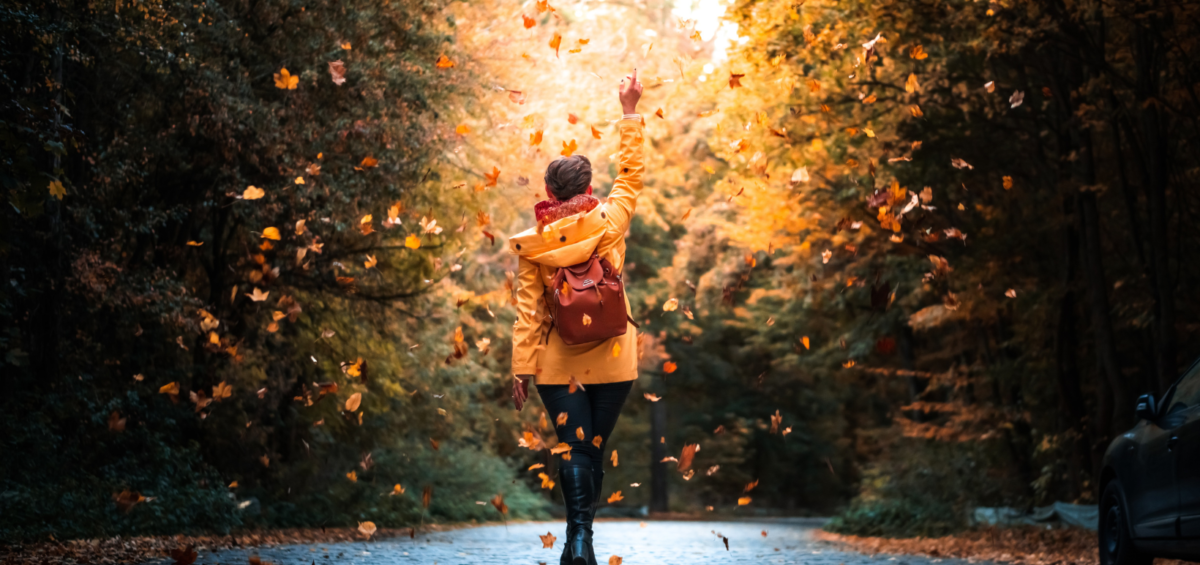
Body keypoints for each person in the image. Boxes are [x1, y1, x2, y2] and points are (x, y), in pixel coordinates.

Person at [508, 68, 644, 565]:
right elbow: (631, 176)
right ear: (588, 186)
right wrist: (629, 111)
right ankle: (580, 540)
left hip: (557, 363)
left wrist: (522, 368)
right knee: (592, 450)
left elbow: (528, 313)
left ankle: (578, 540)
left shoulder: (534, 246)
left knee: (573, 447)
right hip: (613, 357)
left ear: (548, 190)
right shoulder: (610, 222)